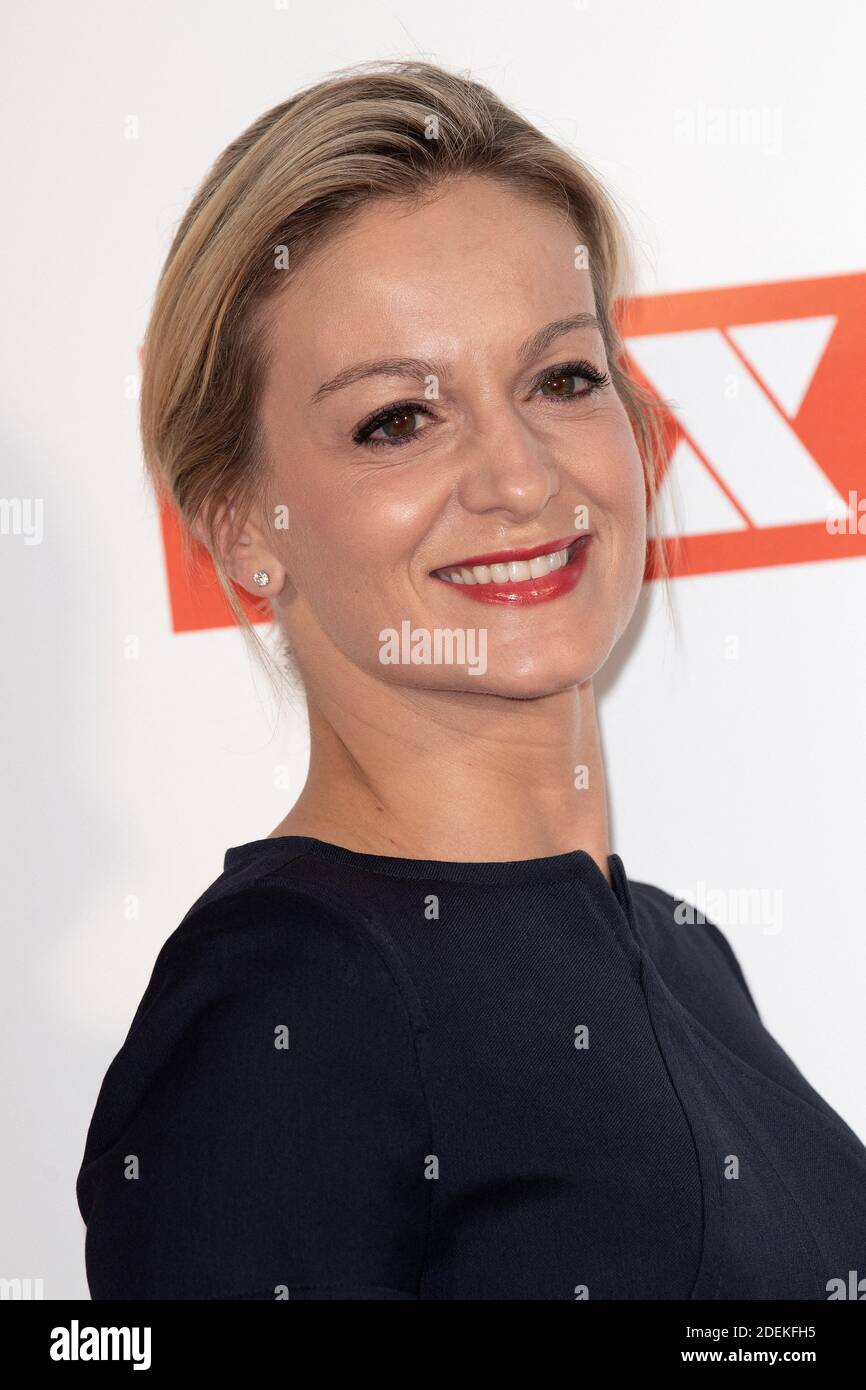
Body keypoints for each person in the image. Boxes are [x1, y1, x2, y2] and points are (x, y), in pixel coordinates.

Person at [76, 59, 866, 1300]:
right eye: (398, 417)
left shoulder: (682, 951)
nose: (519, 478)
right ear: (239, 526)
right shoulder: (281, 1007)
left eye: (560, 379)